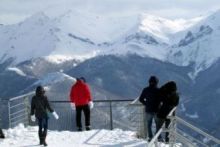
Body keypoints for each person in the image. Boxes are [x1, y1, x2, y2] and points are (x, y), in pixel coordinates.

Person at [139, 76, 161, 141]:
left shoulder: (145, 89)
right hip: (157, 110)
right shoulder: (159, 90)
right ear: (157, 82)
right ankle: (158, 137)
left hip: (148, 110)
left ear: (149, 82)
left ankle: (150, 137)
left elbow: (141, 99)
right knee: (158, 125)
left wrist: (146, 103)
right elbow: (162, 100)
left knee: (149, 124)